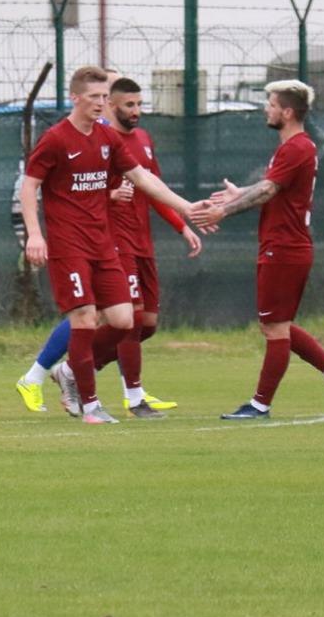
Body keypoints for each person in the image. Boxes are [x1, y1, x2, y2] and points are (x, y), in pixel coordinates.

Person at [17, 65, 206, 425]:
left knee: (123, 321)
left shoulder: (108, 139)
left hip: (103, 245)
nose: (101, 103)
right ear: (75, 97)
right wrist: (35, 234)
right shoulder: (56, 139)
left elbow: (142, 178)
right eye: (94, 97)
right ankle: (91, 407)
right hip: (69, 245)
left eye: (105, 97)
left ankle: (70, 371)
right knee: (85, 319)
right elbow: (30, 185)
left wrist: (186, 207)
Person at [191, 79, 324, 420]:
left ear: (287, 111)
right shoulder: (293, 148)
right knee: (276, 324)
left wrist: (223, 210)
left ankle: (260, 405)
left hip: (285, 248)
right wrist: (241, 193)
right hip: (282, 245)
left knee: (275, 328)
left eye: (270, 104)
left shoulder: (297, 147)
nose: (266, 109)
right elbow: (273, 186)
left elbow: (268, 191)